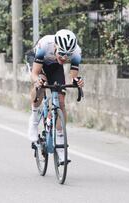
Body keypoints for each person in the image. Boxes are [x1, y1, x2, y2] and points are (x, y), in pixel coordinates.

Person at [27, 29, 84, 163]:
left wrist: (76, 81)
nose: (64, 58)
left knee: (61, 100)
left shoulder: (76, 52)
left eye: (68, 55)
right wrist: (38, 81)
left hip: (54, 65)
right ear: (55, 46)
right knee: (40, 84)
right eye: (62, 53)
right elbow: (34, 73)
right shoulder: (45, 45)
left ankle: (60, 143)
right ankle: (34, 119)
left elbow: (72, 76)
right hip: (36, 61)